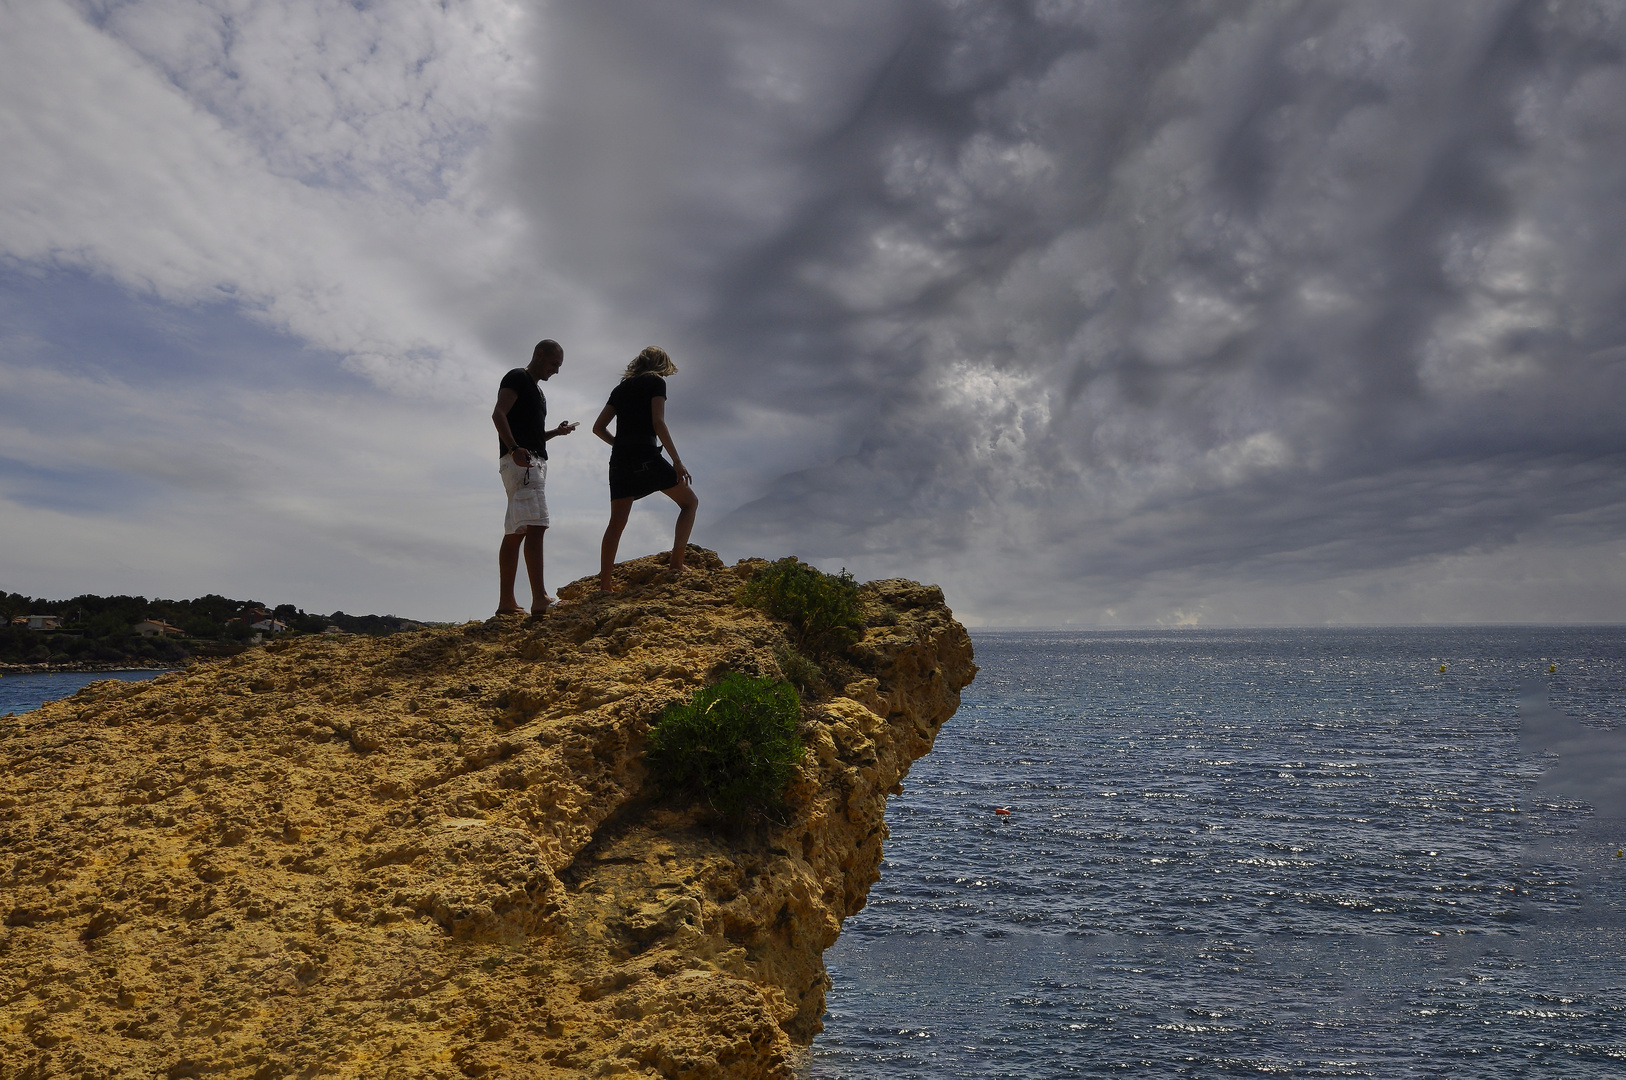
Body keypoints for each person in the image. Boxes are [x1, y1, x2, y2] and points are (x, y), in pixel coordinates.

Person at [592, 346, 697, 591]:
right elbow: (658, 421)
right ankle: (677, 563)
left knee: (616, 523)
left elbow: (598, 427)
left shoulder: (620, 389)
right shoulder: (656, 381)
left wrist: (620, 444)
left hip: (619, 460)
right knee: (690, 503)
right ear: (662, 365)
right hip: (646, 456)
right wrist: (677, 461)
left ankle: (605, 586)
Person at [492, 339, 578, 615]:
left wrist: (556, 432)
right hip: (523, 463)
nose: (556, 370)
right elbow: (498, 414)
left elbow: (533, 435)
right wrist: (514, 448)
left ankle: (507, 603)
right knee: (536, 526)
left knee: (516, 530)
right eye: (554, 363)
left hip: (524, 460)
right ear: (540, 355)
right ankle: (539, 598)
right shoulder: (518, 377)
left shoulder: (538, 393)